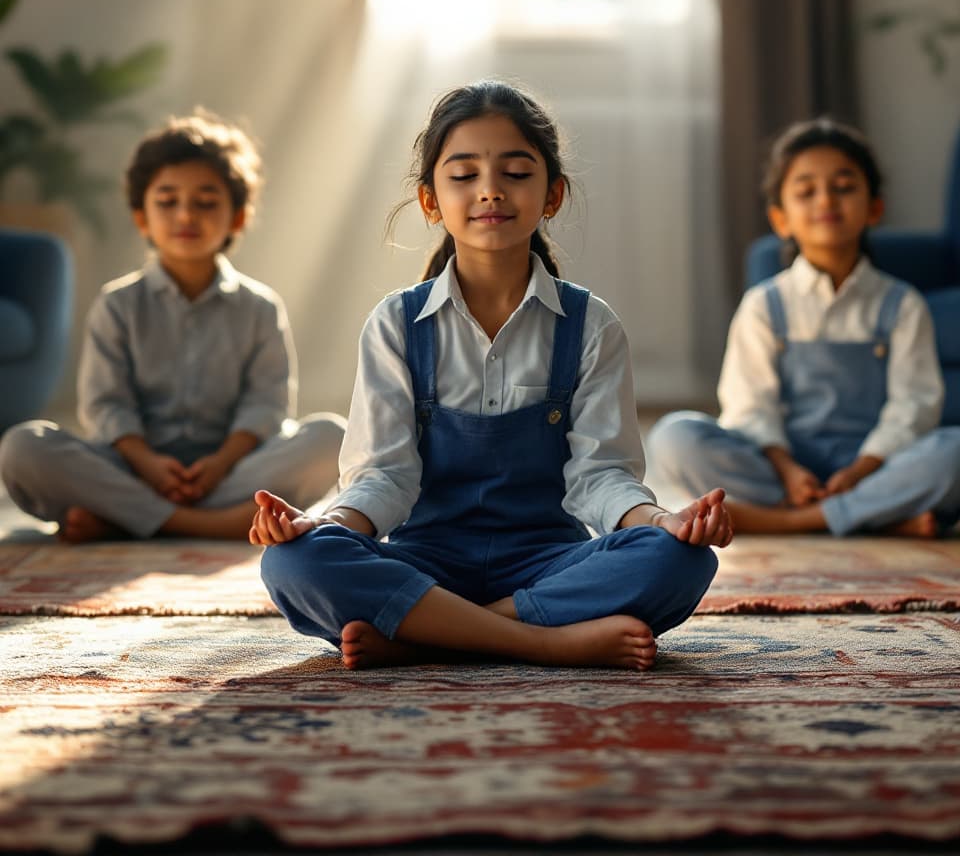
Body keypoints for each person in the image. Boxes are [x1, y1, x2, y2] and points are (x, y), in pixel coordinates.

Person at [250, 80, 732, 673]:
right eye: (463, 174)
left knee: (680, 559)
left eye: (516, 172)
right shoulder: (396, 323)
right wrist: (321, 525)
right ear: (430, 200)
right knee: (294, 561)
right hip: (425, 564)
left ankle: (426, 638)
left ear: (552, 194)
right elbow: (383, 477)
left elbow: (601, 477)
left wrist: (665, 521)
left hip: (547, 563)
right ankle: (545, 641)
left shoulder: (591, 325)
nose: (490, 190)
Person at [0, 109, 346, 541]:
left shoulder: (260, 307)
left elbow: (267, 404)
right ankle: (209, 524)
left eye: (206, 202)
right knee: (23, 447)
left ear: (237, 217)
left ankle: (124, 521)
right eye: (167, 202)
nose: (185, 215)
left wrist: (220, 464)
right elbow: (106, 405)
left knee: (332, 437)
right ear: (141, 217)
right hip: (132, 469)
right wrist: (147, 464)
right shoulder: (117, 304)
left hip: (232, 472)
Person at [648, 116, 960, 537]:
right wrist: (788, 470)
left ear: (874, 208)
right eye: (806, 191)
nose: (826, 200)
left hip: (875, 469)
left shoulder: (903, 305)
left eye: (843, 187)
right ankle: (877, 519)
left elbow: (914, 407)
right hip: (783, 475)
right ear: (781, 219)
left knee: (954, 451)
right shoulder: (764, 305)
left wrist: (861, 470)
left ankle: (790, 521)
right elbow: (749, 406)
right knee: (674, 437)